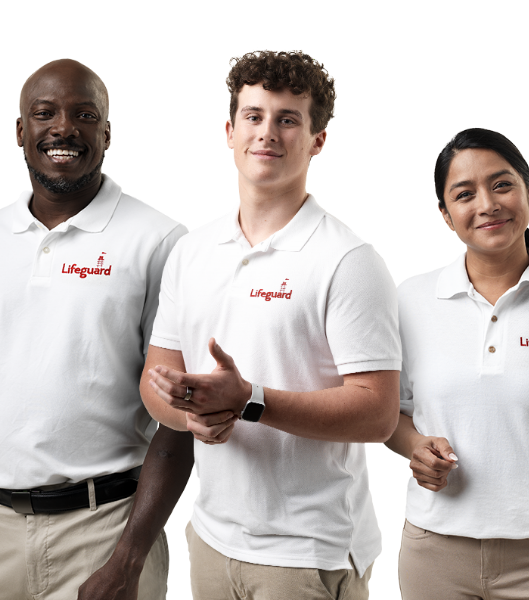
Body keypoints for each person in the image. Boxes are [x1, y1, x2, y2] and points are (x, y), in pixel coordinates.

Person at [140, 48, 400, 600]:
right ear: (230, 131)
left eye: (288, 120)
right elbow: (155, 380)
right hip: (210, 539)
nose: (268, 134)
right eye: (255, 117)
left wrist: (249, 400)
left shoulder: (348, 260)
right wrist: (193, 419)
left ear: (317, 140)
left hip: (306, 552)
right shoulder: (191, 251)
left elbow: (377, 413)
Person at [0, 58, 191, 600]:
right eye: (44, 113)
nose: (63, 128)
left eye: (84, 114)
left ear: (107, 133)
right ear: (20, 131)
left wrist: (130, 557)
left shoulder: (161, 241)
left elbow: (179, 414)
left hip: (104, 531)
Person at [387, 127, 529, 599]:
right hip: (434, 553)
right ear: (446, 216)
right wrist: (414, 447)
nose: (487, 204)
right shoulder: (410, 300)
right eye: (464, 194)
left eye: (501, 184)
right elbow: (386, 413)